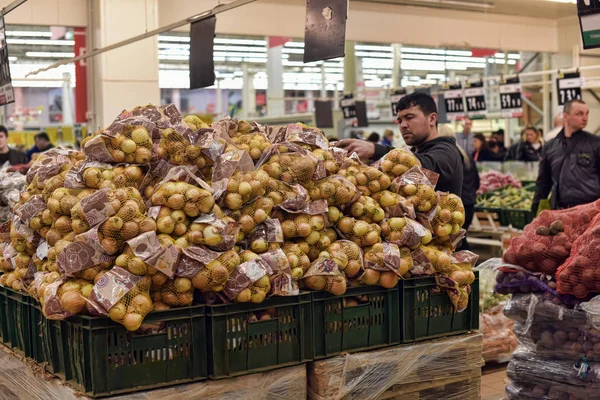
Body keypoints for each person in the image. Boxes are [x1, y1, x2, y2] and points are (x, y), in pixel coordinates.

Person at [336, 92, 463, 196]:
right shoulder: (417, 151)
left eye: (409, 117)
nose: (403, 125)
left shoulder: (447, 150)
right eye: (400, 120)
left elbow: (428, 165)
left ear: (432, 119)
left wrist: (376, 150)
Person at [532, 99, 600, 211]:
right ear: (565, 116)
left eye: (587, 113)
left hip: (591, 210)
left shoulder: (595, 143)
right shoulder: (550, 146)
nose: (585, 118)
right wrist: (535, 207)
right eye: (579, 114)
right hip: (561, 210)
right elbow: (544, 182)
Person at [438, 125, 479, 250]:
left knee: (454, 242)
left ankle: (468, 267)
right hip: (469, 204)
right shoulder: (465, 155)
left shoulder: (445, 157)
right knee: (459, 239)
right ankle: (468, 267)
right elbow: (477, 182)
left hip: (455, 208)